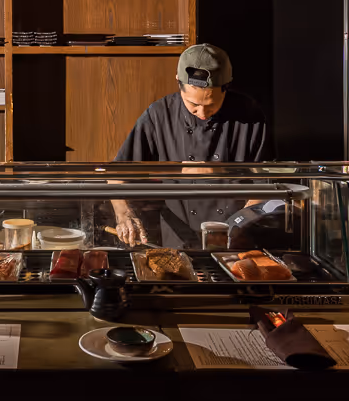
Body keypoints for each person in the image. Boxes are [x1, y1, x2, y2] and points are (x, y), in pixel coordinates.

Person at [110, 44, 269, 248]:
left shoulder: (249, 115)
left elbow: (266, 184)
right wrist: (124, 214)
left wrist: (242, 224)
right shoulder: (159, 114)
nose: (202, 113)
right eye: (192, 105)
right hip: (178, 237)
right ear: (178, 82)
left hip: (236, 237)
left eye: (211, 105)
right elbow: (117, 173)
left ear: (226, 87)